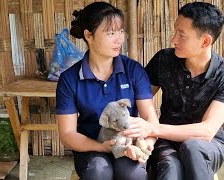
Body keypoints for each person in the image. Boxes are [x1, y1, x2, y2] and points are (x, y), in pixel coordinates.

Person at [122, 2, 224, 180]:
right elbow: (137, 100)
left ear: (205, 41)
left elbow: (207, 131)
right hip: (166, 142)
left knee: (193, 147)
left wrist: (152, 128)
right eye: (175, 31)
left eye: (182, 35)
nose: (174, 40)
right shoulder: (164, 60)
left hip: (208, 145)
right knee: (170, 169)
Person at [56, 2, 158, 180]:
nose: (119, 39)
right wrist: (103, 147)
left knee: (131, 174)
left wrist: (147, 144)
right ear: (89, 35)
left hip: (128, 143)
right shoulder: (70, 79)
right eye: (111, 33)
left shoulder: (133, 70)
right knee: (98, 171)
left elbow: (150, 118)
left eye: (120, 31)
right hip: (91, 146)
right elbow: (67, 134)